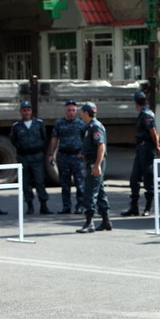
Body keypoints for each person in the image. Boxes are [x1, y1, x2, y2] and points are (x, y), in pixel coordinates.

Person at [121, 91, 160, 217]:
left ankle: (148, 207)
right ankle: (134, 207)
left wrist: (157, 146)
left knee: (148, 178)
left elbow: (153, 131)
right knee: (134, 178)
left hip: (146, 148)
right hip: (141, 148)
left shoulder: (146, 114)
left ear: (135, 102)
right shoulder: (144, 113)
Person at [10, 101, 53, 215]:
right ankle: (30, 206)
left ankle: (44, 205)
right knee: (25, 183)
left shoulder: (38, 124)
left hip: (37, 156)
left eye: (28, 110)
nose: (26, 112)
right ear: (21, 112)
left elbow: (44, 138)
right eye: (24, 110)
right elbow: (13, 140)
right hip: (23, 157)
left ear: (31, 111)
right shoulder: (16, 126)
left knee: (40, 181)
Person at [76, 102, 111, 233]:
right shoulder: (90, 126)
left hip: (94, 162)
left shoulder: (95, 126)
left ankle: (89, 222)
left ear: (86, 113)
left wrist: (96, 165)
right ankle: (106, 221)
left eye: (82, 112)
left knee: (90, 192)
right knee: (100, 191)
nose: (81, 115)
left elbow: (101, 146)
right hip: (91, 160)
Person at [48, 99, 87, 214]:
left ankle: (80, 206)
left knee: (80, 184)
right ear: (65, 111)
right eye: (69, 110)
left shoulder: (81, 124)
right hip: (63, 156)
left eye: (73, 110)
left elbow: (86, 139)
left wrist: (84, 152)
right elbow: (54, 138)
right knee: (65, 184)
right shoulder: (59, 123)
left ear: (76, 111)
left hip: (77, 157)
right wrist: (51, 154)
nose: (71, 112)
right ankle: (66, 206)